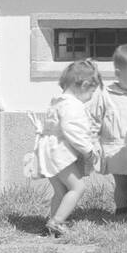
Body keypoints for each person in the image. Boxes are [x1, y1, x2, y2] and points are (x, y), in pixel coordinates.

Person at [33, 58, 103, 237]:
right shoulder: (73, 105)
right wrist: (88, 149)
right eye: (92, 92)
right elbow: (73, 130)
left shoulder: (57, 102)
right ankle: (57, 222)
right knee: (78, 188)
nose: (90, 98)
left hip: (47, 152)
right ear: (84, 85)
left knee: (60, 190)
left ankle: (52, 222)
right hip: (59, 154)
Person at [88, 43, 127, 222]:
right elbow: (93, 119)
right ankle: (121, 210)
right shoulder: (105, 95)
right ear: (119, 74)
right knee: (122, 182)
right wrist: (93, 141)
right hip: (115, 146)